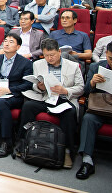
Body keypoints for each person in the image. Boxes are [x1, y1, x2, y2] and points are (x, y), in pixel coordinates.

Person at [18, 38, 84, 169]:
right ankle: (23, 143)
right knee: (28, 107)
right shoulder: (38, 64)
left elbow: (81, 87)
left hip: (65, 99)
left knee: (69, 113)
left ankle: (66, 151)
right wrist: (40, 87)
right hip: (46, 98)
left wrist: (65, 90)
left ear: (59, 52)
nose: (49, 58)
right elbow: (35, 85)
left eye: (52, 55)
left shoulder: (73, 66)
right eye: (46, 55)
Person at [76, 41, 112, 180]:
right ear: (106, 55)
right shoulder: (96, 66)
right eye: (111, 58)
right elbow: (85, 92)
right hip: (101, 108)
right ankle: (87, 161)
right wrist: (92, 83)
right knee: (88, 119)